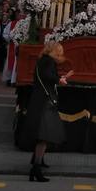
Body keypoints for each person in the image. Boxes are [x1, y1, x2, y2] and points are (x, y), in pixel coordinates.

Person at [22, 41, 73, 182]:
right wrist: (61, 80)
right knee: (44, 135)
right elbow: (48, 77)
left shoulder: (43, 60)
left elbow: (46, 77)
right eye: (60, 51)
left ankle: (37, 162)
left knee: (42, 134)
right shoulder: (49, 61)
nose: (61, 53)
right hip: (45, 101)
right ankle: (36, 169)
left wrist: (59, 78)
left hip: (39, 100)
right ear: (54, 51)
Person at [2, 12, 23, 85]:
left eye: (22, 15)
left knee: (18, 63)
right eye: (19, 15)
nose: (20, 16)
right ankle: (9, 78)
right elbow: (5, 33)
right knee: (10, 62)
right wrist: (10, 38)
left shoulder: (25, 25)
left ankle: (16, 79)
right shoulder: (11, 23)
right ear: (17, 15)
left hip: (20, 46)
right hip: (12, 46)